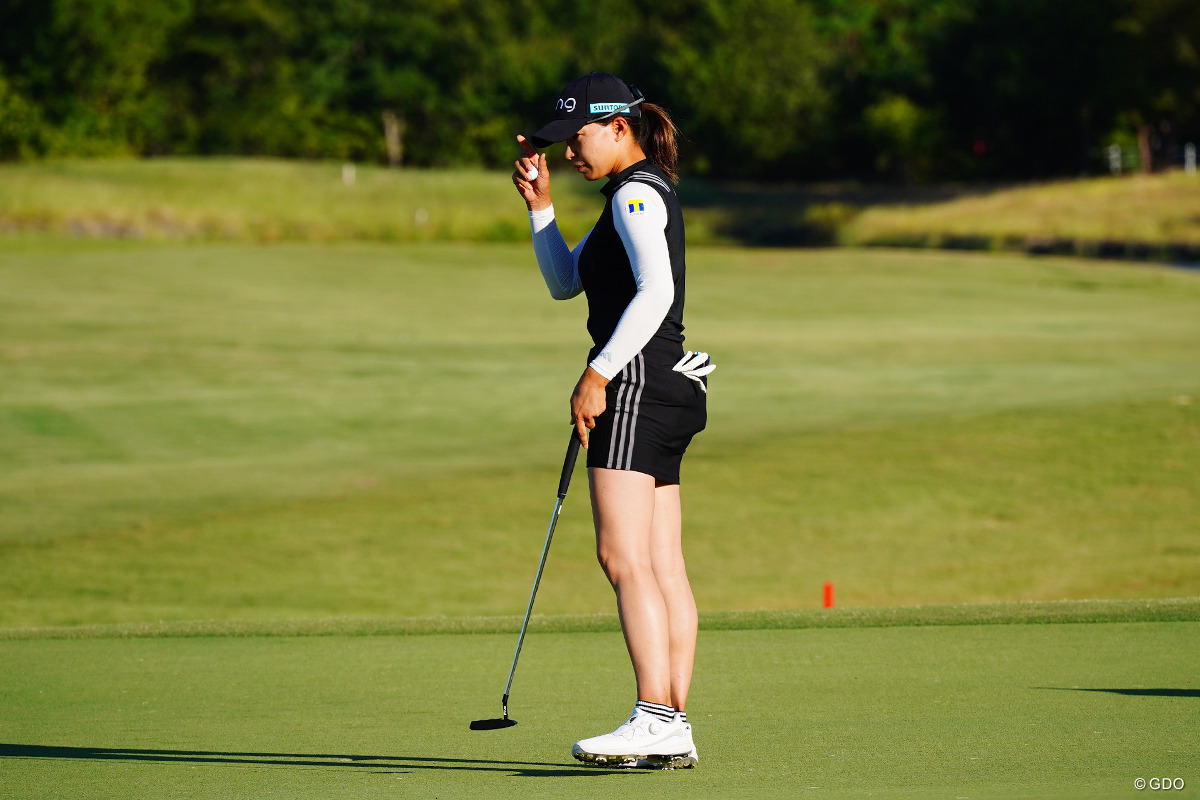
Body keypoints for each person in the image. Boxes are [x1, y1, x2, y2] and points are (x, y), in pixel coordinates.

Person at [511, 72, 713, 769]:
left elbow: (655, 292)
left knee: (621, 557)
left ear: (619, 127)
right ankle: (673, 722)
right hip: (667, 386)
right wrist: (541, 210)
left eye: (578, 137)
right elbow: (569, 283)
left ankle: (655, 716)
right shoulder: (638, 191)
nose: (569, 152)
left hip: (633, 385)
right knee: (660, 563)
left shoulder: (632, 193)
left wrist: (597, 375)